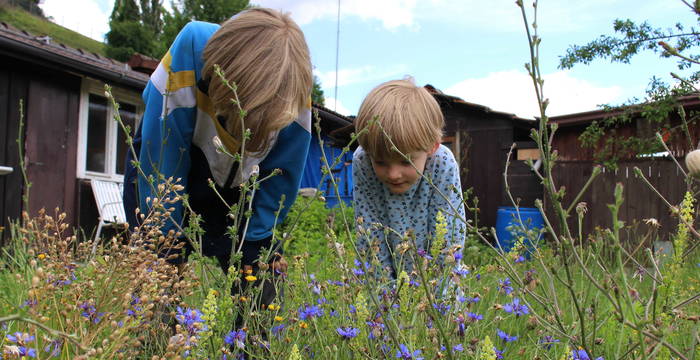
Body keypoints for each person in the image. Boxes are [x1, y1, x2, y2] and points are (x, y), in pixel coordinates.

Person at [122, 8, 312, 304]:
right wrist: (166, 245)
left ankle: (252, 347)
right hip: (165, 167)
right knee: (155, 286)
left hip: (241, 183)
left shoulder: (294, 90)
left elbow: (281, 180)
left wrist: (257, 244)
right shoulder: (191, 49)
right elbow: (163, 159)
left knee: (264, 286)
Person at [352, 78, 466, 279]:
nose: (393, 174)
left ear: (432, 147)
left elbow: (449, 239)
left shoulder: (442, 163)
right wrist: (384, 300)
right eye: (380, 162)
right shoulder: (363, 160)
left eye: (406, 162)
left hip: (438, 278)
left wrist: (437, 301)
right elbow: (369, 239)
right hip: (385, 281)